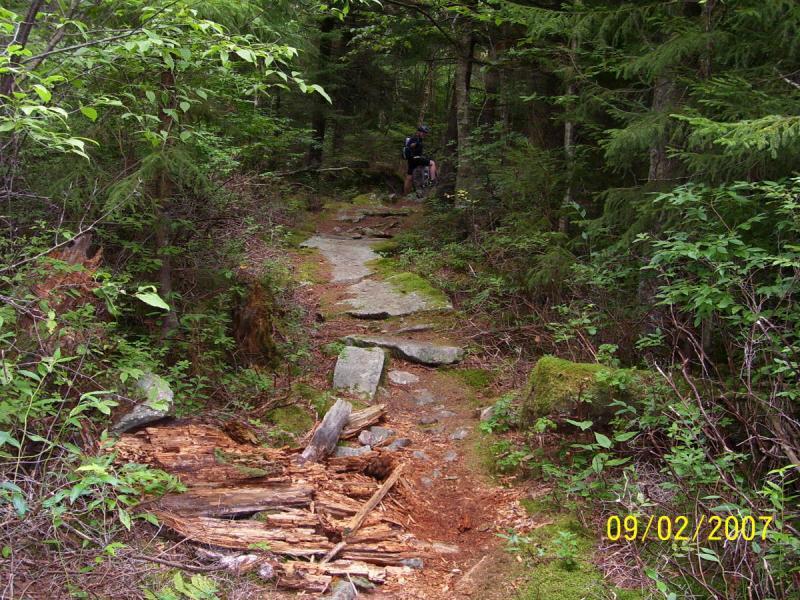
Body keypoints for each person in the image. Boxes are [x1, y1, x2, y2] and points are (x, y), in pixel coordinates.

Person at [404, 125, 437, 195]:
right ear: (418, 132)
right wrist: (415, 144)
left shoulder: (417, 138)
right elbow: (411, 145)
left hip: (411, 159)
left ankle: (406, 194)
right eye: (423, 132)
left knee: (409, 176)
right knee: (432, 163)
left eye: (425, 133)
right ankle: (432, 181)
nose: (424, 134)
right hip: (416, 158)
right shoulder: (415, 138)